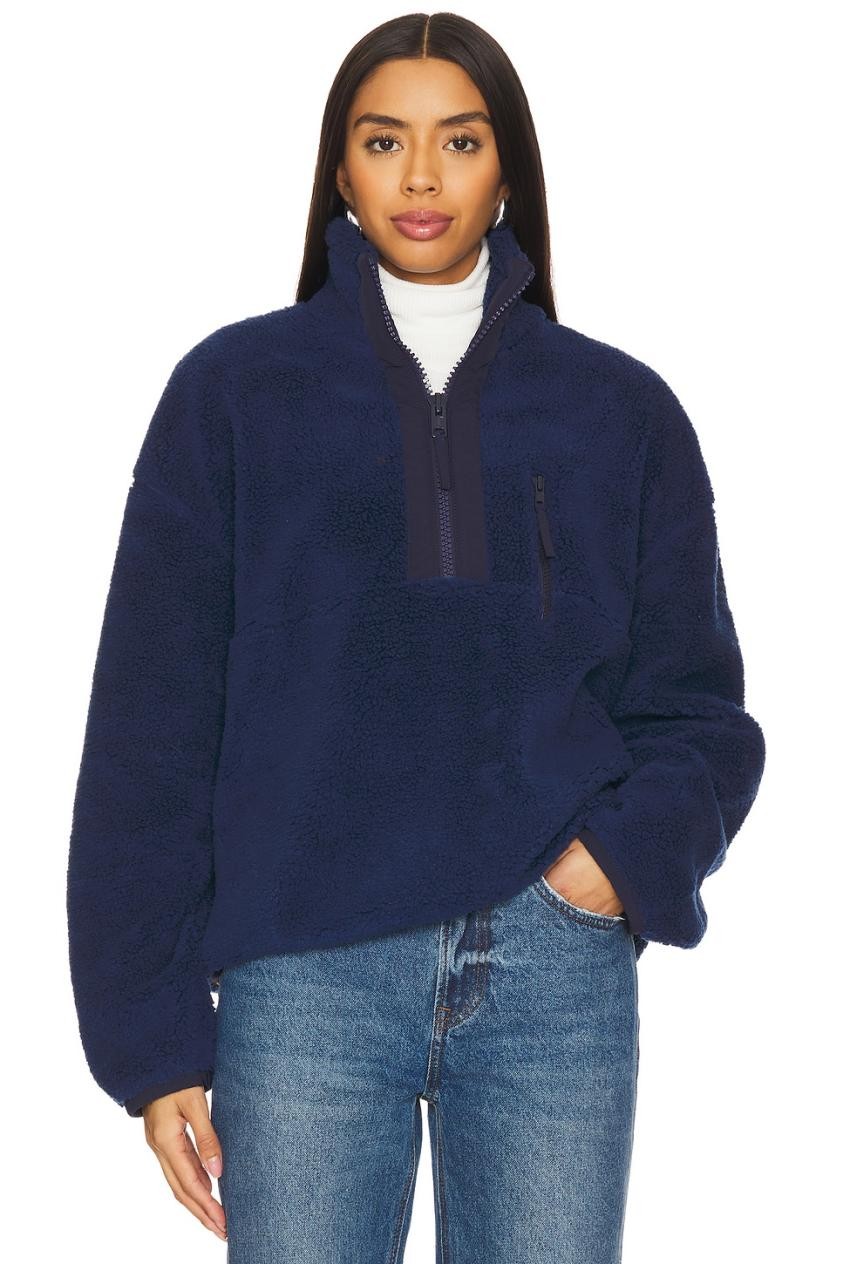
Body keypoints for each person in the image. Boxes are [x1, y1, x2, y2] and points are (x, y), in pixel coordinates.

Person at [66, 12, 766, 1261]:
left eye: (462, 140)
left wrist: (611, 867)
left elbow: (700, 711)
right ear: (340, 170)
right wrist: (150, 1039)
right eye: (385, 141)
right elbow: (149, 725)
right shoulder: (233, 394)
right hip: (304, 974)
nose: (424, 176)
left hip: (553, 973)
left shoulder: (621, 411)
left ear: (509, 171)